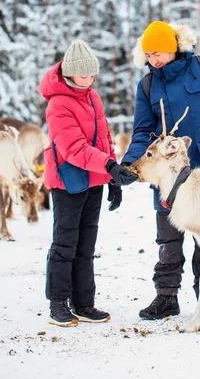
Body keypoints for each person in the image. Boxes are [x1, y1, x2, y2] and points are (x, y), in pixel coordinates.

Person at [122, 21, 200, 321]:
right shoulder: (147, 85)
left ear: (175, 46)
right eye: (149, 55)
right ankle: (166, 297)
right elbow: (141, 131)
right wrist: (129, 163)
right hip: (167, 176)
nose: (155, 60)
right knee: (168, 237)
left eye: (160, 52)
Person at [40, 39, 138, 327]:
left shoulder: (93, 97)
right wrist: (108, 165)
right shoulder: (58, 104)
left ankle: (84, 303)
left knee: (86, 244)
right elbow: (74, 148)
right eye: (85, 75)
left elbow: (104, 139)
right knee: (65, 242)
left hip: (94, 179)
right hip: (68, 181)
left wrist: (112, 177)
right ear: (70, 73)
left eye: (93, 74)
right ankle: (58, 303)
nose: (90, 80)